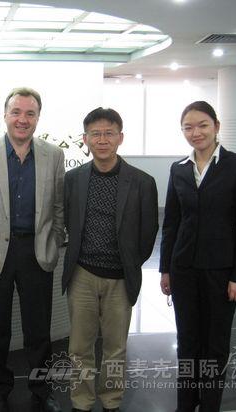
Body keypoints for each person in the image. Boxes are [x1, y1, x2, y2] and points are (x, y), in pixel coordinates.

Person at [0, 87, 65, 412]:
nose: (22, 119)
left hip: (36, 252)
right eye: (16, 112)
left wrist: (54, 242)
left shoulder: (53, 155)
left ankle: (41, 389)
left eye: (30, 113)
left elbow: (59, 207)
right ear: (5, 115)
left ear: (38, 118)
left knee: (38, 330)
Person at [159, 101, 236, 411]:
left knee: (215, 344)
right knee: (187, 341)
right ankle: (186, 404)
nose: (196, 132)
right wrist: (165, 269)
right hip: (184, 268)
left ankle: (210, 405)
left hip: (221, 270)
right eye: (188, 127)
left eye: (202, 125)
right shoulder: (179, 168)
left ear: (216, 126)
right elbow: (171, 222)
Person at [62, 107, 158, 412]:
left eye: (108, 133)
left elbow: (148, 232)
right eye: (95, 134)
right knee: (80, 346)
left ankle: (111, 400)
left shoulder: (142, 182)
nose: (102, 140)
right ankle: (81, 401)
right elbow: (68, 221)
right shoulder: (73, 179)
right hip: (82, 274)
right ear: (85, 139)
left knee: (115, 347)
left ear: (120, 137)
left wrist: (129, 262)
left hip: (120, 277)